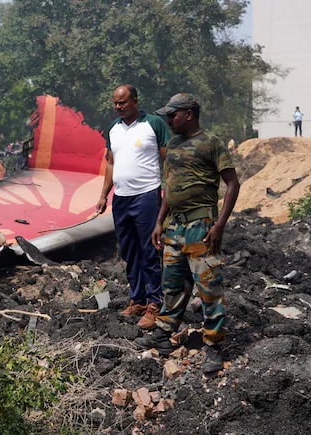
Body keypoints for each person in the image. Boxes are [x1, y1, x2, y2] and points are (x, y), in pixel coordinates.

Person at [135, 93, 240, 374]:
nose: (169, 120)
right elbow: (169, 188)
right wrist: (159, 222)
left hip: (201, 227)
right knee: (173, 284)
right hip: (175, 227)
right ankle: (163, 334)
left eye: (173, 115)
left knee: (208, 287)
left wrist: (219, 225)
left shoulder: (211, 143)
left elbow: (232, 184)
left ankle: (213, 346)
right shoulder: (174, 145)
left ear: (189, 114)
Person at [95, 84, 169, 329]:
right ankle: (137, 299)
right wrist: (104, 194)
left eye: (123, 102)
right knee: (129, 251)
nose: (118, 107)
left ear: (135, 101)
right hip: (122, 197)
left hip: (146, 195)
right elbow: (110, 163)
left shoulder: (153, 124)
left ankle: (154, 303)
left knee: (149, 250)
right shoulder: (114, 130)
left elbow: (167, 157)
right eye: (115, 103)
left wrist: (169, 189)